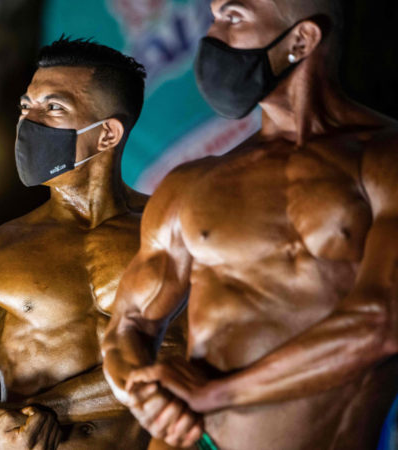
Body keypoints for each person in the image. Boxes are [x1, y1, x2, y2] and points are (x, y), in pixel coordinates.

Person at [102, 0, 398, 449]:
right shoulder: (191, 183)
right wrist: (144, 393)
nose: (212, 37)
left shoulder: (383, 159)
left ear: (301, 40)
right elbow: (127, 327)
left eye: (233, 17)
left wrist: (216, 394)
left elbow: (384, 321)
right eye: (214, 16)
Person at [0, 37, 161, 449]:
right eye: (26, 106)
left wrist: (40, 409)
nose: (30, 121)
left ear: (107, 134)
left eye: (54, 107)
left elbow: (175, 359)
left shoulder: (168, 234)